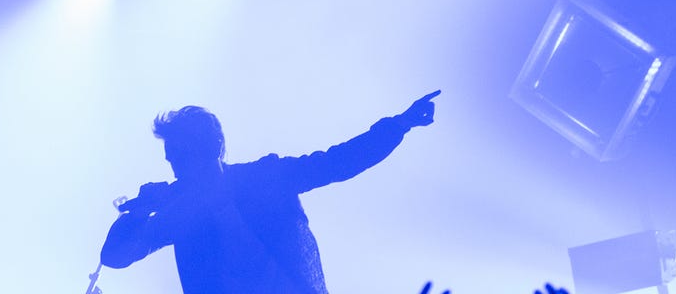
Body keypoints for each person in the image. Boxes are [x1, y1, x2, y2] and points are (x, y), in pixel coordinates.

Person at [101, 91, 441, 294]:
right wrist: (140, 211)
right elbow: (114, 257)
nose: (174, 167)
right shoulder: (181, 210)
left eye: (181, 156)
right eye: (171, 159)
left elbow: (338, 163)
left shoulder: (264, 178)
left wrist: (400, 124)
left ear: (212, 147)